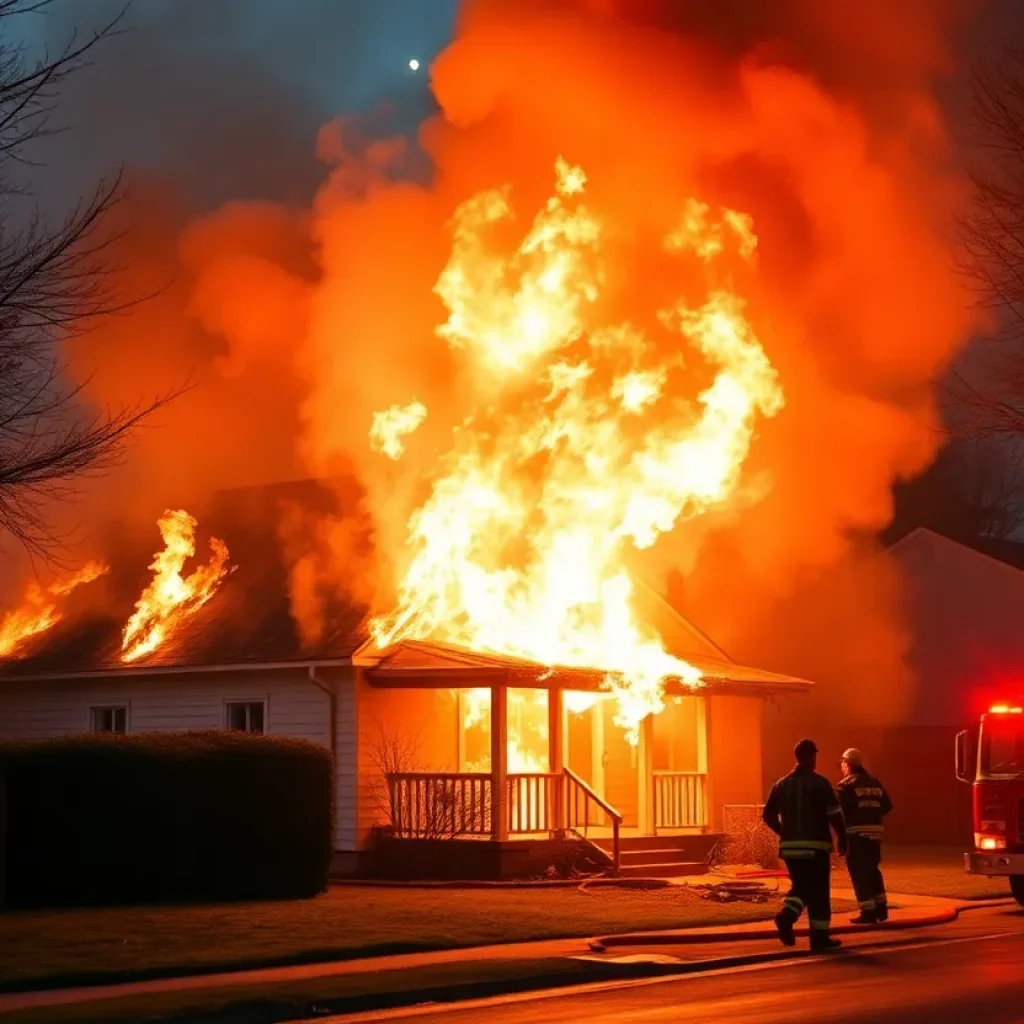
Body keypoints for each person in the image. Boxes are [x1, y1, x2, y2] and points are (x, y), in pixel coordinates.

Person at [762, 738, 847, 951]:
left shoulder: (781, 784)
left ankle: (795, 921)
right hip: (815, 847)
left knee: (802, 886)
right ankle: (812, 933)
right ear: (811, 757)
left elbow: (768, 815)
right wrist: (842, 838)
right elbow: (834, 814)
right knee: (817, 890)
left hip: (790, 848)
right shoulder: (820, 783)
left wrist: (784, 831)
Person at [836, 747, 893, 924]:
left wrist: (841, 839)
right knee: (872, 870)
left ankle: (867, 912)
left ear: (847, 764)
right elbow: (887, 805)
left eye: (843, 763)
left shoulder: (845, 785)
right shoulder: (874, 782)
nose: (842, 767)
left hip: (857, 833)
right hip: (876, 833)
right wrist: (871, 811)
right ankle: (881, 909)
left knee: (858, 871)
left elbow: (841, 813)